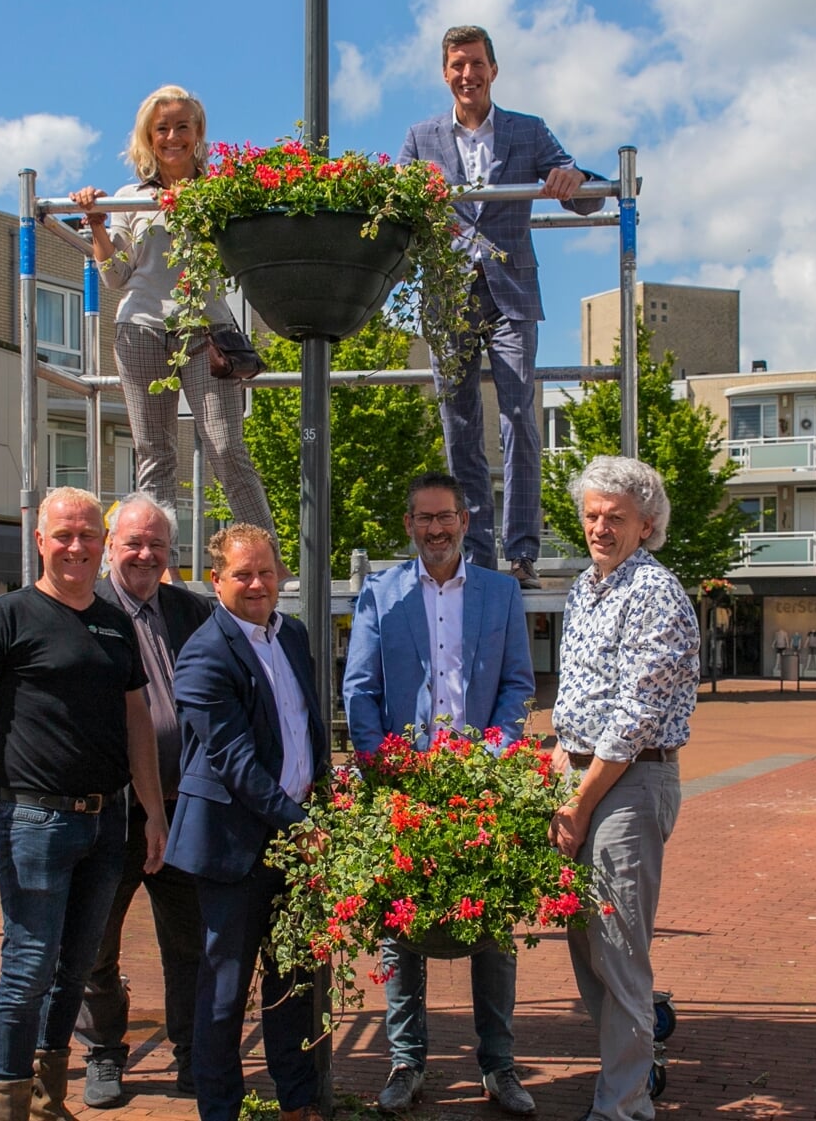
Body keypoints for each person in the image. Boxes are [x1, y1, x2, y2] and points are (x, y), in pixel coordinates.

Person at [0, 486, 171, 1121]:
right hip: (36, 819)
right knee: (28, 968)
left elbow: (137, 724)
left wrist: (152, 811)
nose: (76, 546)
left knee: (74, 970)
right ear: (40, 541)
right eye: (64, 534)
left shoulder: (112, 621)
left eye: (88, 535)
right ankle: (6, 1103)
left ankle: (47, 1101)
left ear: (101, 546)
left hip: (106, 823)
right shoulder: (6, 617)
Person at [341, 472, 537, 1115]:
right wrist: (382, 767)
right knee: (400, 929)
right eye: (423, 518)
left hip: (480, 783)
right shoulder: (380, 595)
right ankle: (406, 1061)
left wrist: (494, 756)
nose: (436, 528)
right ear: (409, 525)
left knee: (494, 926)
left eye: (445, 516)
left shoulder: (500, 593)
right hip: (404, 782)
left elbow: (516, 687)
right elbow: (360, 690)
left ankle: (499, 1065)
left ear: (466, 519)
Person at [400, 25, 604, 589]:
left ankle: (520, 554)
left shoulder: (526, 131)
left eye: (477, 64)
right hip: (449, 296)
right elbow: (396, 203)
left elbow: (585, 195)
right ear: (446, 73)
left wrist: (574, 177)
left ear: (494, 69)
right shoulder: (421, 138)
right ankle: (477, 554)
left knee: (519, 418)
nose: (468, 75)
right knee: (460, 424)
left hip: (511, 290)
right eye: (458, 65)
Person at [60, 84, 276, 554]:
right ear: (149, 137)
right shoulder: (129, 197)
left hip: (205, 333)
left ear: (198, 132)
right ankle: (155, 564)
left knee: (226, 449)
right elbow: (116, 275)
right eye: (162, 129)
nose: (173, 136)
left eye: (182, 126)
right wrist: (97, 222)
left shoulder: (221, 193)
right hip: (140, 329)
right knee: (155, 455)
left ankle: (266, 558)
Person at [547, 457, 699, 1121]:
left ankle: (624, 1106)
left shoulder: (656, 592)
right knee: (588, 943)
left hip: (629, 779)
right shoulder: (585, 586)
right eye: (592, 514)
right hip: (582, 774)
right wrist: (558, 766)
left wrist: (580, 804)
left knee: (617, 946)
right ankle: (632, 1071)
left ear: (647, 525)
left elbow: (635, 715)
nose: (600, 527)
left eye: (616, 517)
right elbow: (577, 695)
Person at [165, 524, 332, 1121]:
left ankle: (298, 1101)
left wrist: (324, 802)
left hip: (295, 840)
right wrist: (299, 822)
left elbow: (307, 731)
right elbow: (234, 760)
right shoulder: (204, 653)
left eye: (266, 572)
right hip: (234, 847)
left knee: (294, 979)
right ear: (216, 581)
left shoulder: (294, 637)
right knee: (225, 992)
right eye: (243, 574)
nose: (257, 584)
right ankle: (221, 1110)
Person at [72, 493, 214, 1107]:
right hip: (110, 812)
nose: (145, 553)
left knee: (191, 942)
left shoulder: (193, 611)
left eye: (156, 544)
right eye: (133, 542)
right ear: (110, 545)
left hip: (185, 808)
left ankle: (191, 1052)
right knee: (95, 941)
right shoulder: (80, 608)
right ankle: (105, 1052)